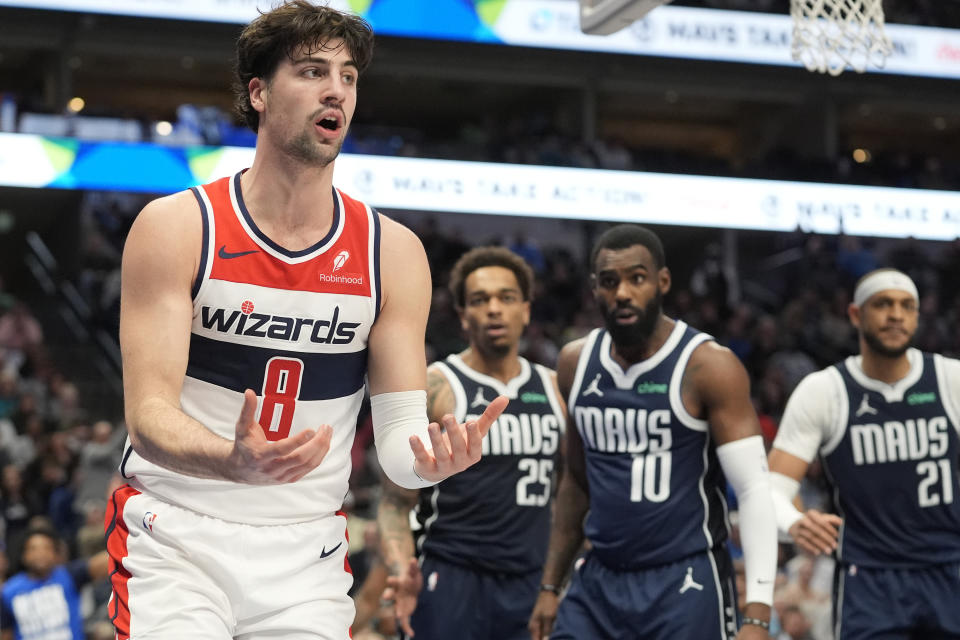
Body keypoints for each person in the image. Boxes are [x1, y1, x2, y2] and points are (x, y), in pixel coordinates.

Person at [107, 3, 507, 639]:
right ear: (259, 93)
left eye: (348, 76)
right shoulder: (178, 227)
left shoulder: (392, 253)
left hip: (305, 555)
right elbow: (148, 416)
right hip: (177, 534)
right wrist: (229, 460)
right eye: (313, 71)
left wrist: (429, 463)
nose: (336, 91)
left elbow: (400, 449)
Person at [528, 224, 777, 640]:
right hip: (600, 577)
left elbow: (753, 488)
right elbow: (575, 481)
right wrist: (550, 585)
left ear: (662, 282)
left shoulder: (709, 366)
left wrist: (757, 613)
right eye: (610, 282)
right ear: (594, 289)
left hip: (685, 577)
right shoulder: (574, 363)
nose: (622, 292)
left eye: (636, 278)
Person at [376, 247, 565, 639]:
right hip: (450, 575)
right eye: (480, 300)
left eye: (506, 298)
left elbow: (569, 495)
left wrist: (555, 580)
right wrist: (400, 569)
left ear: (527, 310)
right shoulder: (435, 385)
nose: (494, 309)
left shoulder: (554, 388)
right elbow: (395, 501)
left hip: (529, 582)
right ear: (463, 316)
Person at [768, 267, 960, 639]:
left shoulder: (951, 380)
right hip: (868, 577)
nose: (895, 315)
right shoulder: (825, 391)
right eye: (883, 304)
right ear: (855, 314)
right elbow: (771, 487)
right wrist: (794, 521)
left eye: (907, 306)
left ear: (918, 316)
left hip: (950, 567)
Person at [1, 526, 109, 640]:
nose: (40, 553)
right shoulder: (8, 591)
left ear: (55, 554)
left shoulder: (68, 575)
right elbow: (6, 634)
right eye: (33, 549)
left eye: (47, 548)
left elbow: (104, 562)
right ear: (24, 555)